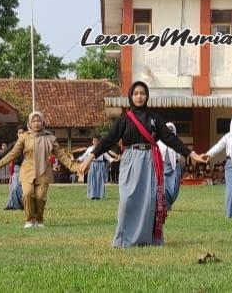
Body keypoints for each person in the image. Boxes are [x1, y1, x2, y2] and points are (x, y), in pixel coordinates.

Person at [77, 81, 207, 247]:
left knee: (149, 201)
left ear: (147, 96)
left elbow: (170, 138)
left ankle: (147, 238)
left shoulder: (154, 118)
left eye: (142, 93)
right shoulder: (124, 120)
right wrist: (90, 157)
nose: (139, 96)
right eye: (136, 93)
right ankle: (123, 239)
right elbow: (108, 140)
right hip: (130, 160)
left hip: (150, 161)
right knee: (127, 199)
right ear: (131, 96)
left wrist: (192, 154)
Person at [0, 112, 74, 228]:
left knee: (40, 197)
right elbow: (12, 154)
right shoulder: (24, 137)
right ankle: (29, 220)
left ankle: (39, 219)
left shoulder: (50, 138)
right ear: (29, 123)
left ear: (43, 122)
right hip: (27, 170)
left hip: (44, 171)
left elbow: (61, 156)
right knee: (27, 193)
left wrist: (75, 167)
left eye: (38, 121)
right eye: (33, 121)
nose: (36, 123)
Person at [77, 136, 120, 200]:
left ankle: (99, 195)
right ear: (92, 141)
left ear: (98, 141)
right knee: (92, 179)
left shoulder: (101, 149)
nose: (95, 142)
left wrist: (115, 159)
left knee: (99, 180)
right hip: (92, 164)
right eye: (94, 141)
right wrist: (77, 159)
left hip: (100, 165)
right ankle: (92, 195)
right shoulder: (89, 149)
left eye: (97, 141)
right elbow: (84, 156)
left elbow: (108, 157)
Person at [0, 126, 26, 210]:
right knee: (14, 187)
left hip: (26, 169)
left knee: (19, 188)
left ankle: (21, 205)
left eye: (22, 132)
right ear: (17, 134)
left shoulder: (28, 144)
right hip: (17, 168)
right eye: (19, 133)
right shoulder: (13, 144)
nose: (21, 134)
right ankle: (13, 205)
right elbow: (4, 154)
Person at [158, 123, 183, 208]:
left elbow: (180, 155)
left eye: (171, 129)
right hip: (163, 167)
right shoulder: (159, 142)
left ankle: (169, 202)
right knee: (164, 187)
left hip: (175, 167)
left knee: (174, 187)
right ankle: (166, 205)